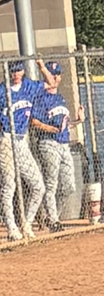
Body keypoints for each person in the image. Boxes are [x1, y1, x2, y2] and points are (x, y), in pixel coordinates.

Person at [30, 61, 84, 233]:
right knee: (51, 184)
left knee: (69, 186)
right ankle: (53, 220)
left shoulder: (60, 98)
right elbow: (34, 122)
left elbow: (64, 126)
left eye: (57, 74)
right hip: (48, 143)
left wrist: (78, 121)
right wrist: (50, 129)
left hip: (63, 144)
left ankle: (51, 216)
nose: (55, 77)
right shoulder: (41, 97)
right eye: (52, 74)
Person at [0, 60, 50, 240]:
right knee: (9, 184)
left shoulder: (29, 86)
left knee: (38, 186)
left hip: (22, 140)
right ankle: (12, 228)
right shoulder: (2, 91)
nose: (16, 74)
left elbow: (51, 83)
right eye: (13, 71)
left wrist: (41, 66)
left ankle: (26, 224)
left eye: (19, 70)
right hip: (5, 139)